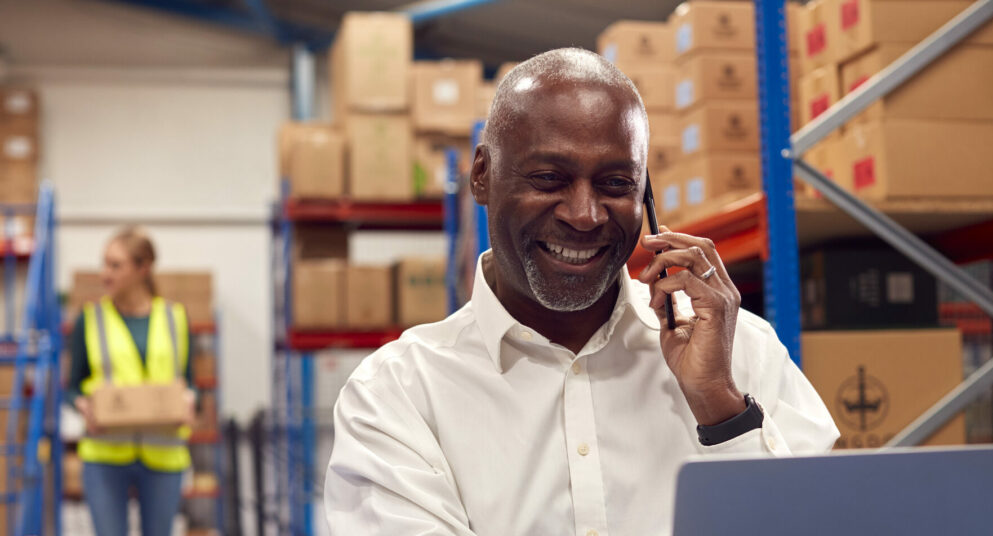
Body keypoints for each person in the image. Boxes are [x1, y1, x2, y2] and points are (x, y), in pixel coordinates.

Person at [325, 48, 839, 535]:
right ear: (482, 176)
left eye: (616, 184)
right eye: (550, 177)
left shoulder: (741, 354)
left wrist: (721, 409)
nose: (585, 214)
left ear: (646, 197)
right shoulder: (398, 396)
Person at [68, 227, 195, 536]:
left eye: (115, 265)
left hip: (164, 452)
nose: (105, 274)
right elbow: (71, 387)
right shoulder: (90, 318)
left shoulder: (174, 317)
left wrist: (192, 400)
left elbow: (189, 382)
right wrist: (82, 405)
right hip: (105, 453)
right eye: (104, 264)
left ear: (143, 268)